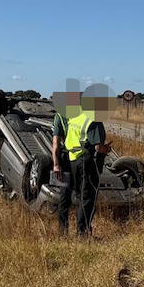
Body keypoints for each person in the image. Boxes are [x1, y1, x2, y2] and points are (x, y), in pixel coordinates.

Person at [64, 83, 113, 237]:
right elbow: (98, 148)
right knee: (88, 198)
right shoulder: (94, 119)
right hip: (88, 161)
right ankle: (83, 233)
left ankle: (80, 230)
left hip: (72, 159)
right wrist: (107, 149)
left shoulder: (75, 116)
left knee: (80, 196)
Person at [50, 81, 81, 233]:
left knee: (65, 195)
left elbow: (56, 143)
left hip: (66, 158)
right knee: (83, 195)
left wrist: (56, 164)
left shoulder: (60, 116)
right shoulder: (83, 115)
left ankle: (63, 231)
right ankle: (83, 232)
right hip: (82, 158)